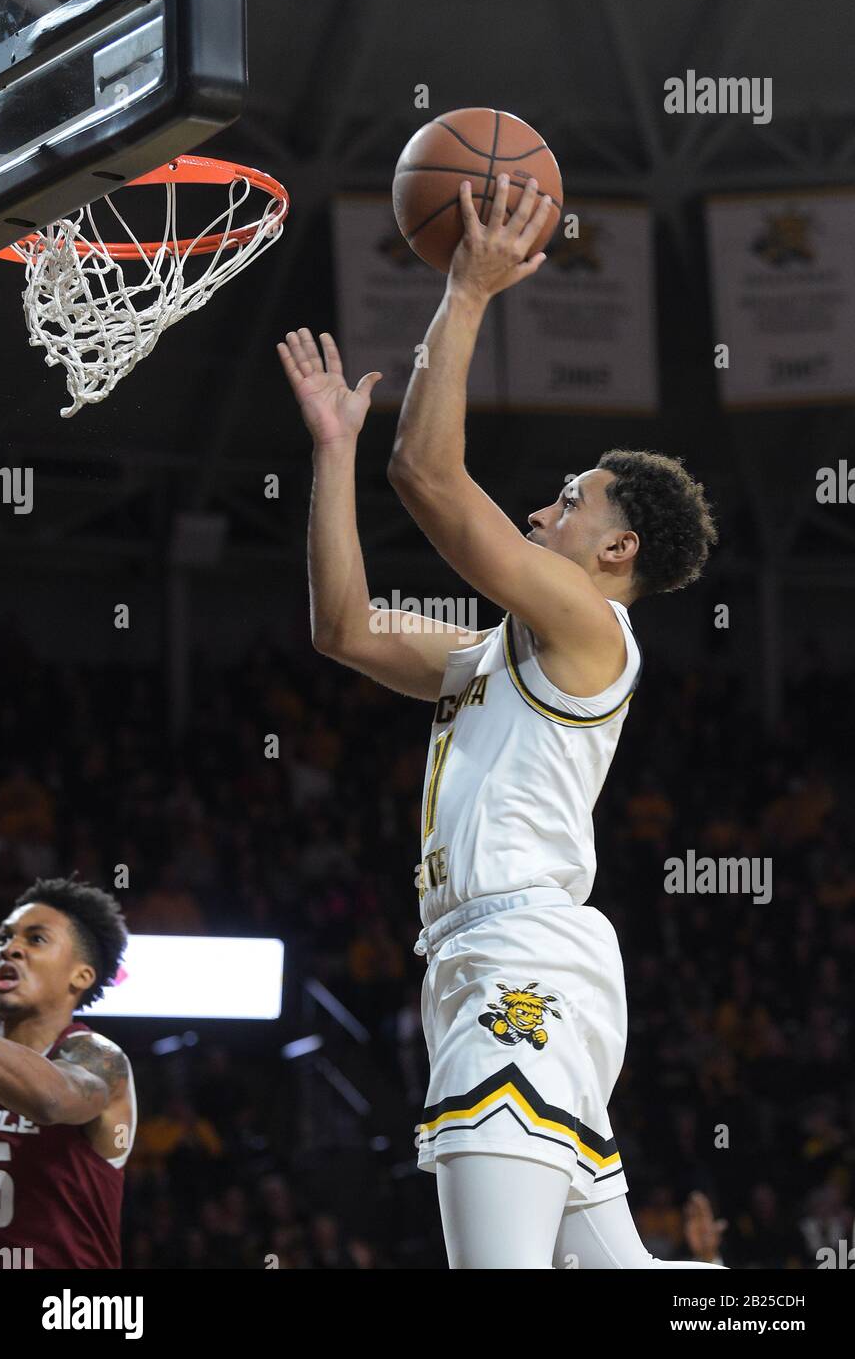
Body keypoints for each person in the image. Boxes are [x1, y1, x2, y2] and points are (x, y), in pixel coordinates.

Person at [277, 172, 723, 1268]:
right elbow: (342, 627)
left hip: (519, 953)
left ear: (616, 551)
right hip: (496, 958)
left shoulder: (589, 629)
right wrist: (334, 452)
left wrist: (467, 293)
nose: (541, 510)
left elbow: (427, 473)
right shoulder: (490, 654)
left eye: (569, 500)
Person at [0, 875, 133, 1268]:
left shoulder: (100, 1060)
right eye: (3, 938)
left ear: (81, 975)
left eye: (35, 940)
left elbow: (50, 1100)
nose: (11, 949)